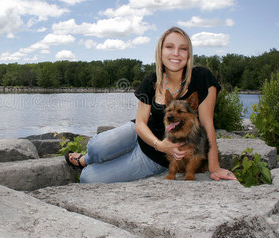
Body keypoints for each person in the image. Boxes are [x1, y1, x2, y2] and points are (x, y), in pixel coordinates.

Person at [66, 27, 238, 183]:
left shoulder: (202, 78)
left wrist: (214, 167)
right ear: (161, 51)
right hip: (139, 133)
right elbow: (141, 123)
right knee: (95, 147)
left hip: (154, 157)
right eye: (169, 47)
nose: (176, 53)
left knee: (88, 178)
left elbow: (208, 124)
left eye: (183, 48)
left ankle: (95, 162)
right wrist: (158, 143)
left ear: (189, 53)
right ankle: (86, 159)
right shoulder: (151, 80)